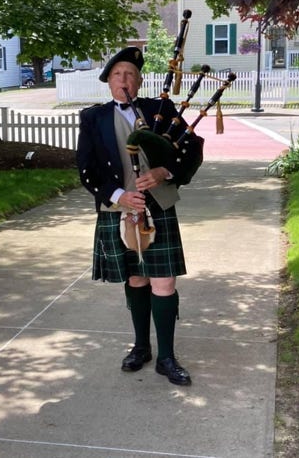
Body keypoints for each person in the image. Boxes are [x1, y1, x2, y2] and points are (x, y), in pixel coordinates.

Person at [76, 47, 203, 386]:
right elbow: (86, 169)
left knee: (164, 282)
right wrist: (119, 195)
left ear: (140, 80)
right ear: (108, 82)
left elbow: (191, 148)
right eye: (117, 74)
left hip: (158, 205)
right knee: (136, 280)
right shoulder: (93, 118)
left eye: (130, 74)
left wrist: (164, 171)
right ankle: (141, 347)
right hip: (120, 209)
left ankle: (167, 357)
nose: (124, 80)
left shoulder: (161, 110)